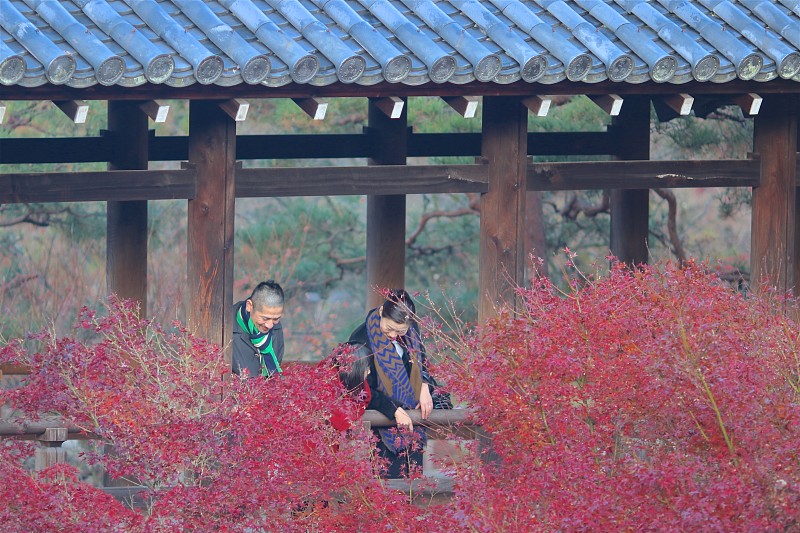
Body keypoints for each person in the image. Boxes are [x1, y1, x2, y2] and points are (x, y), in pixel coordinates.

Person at [348, 289, 435, 478]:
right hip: (382, 423)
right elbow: (359, 388)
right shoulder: (360, 340)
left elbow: (423, 364)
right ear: (381, 313)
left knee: (413, 487)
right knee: (388, 492)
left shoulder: (411, 332)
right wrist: (393, 409)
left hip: (413, 421)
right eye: (389, 329)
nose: (394, 335)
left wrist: (425, 385)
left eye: (400, 331)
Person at [232, 280, 285, 378]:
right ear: (249, 306)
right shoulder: (227, 326)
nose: (270, 325)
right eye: (265, 318)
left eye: (276, 319)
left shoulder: (276, 327)